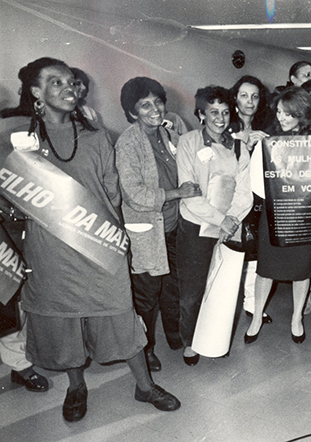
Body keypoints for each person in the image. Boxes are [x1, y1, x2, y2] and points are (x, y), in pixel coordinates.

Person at [0, 57, 179, 422]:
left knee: (120, 315)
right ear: (36, 92)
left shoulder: (98, 138)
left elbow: (113, 194)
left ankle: (144, 387)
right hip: (50, 253)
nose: (68, 88)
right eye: (55, 83)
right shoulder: (19, 143)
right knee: (64, 324)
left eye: (70, 81)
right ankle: (76, 386)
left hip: (100, 247)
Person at [115, 77, 202, 372]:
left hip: (174, 224)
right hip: (147, 230)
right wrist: (177, 193)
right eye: (145, 105)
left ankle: (174, 333)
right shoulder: (128, 143)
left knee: (173, 285)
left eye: (158, 102)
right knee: (147, 295)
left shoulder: (168, 134)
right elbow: (134, 194)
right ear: (132, 112)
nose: (155, 109)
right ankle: (146, 347)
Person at [244, 87, 311, 345]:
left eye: (288, 114)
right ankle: (256, 317)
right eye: (279, 112)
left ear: (301, 115)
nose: (282, 118)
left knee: (302, 269)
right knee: (265, 269)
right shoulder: (267, 144)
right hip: (274, 214)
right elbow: (257, 183)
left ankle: (297, 318)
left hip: (304, 216)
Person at [175, 86, 252, 366]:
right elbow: (189, 192)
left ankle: (216, 338)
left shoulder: (239, 146)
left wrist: (230, 221)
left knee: (223, 288)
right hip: (196, 226)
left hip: (231, 225)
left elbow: (245, 191)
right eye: (213, 112)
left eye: (225, 112)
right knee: (193, 290)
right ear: (200, 114)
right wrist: (220, 219)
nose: (220, 118)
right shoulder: (188, 143)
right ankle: (190, 342)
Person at [229, 75, 273, 325]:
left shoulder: (266, 125)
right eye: (244, 95)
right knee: (233, 252)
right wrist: (243, 141)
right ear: (235, 97)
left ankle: (252, 304)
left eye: (255, 96)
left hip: (258, 199)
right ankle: (227, 304)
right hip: (233, 199)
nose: (250, 101)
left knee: (255, 253)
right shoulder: (226, 125)